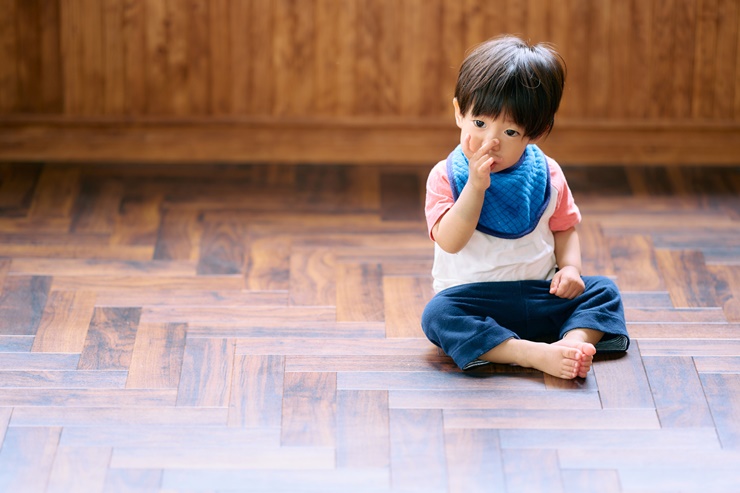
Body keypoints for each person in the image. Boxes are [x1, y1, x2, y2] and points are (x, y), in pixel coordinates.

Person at [421, 35, 629, 380]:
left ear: (536, 132)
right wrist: (474, 188)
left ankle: (572, 344)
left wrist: (571, 270)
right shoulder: (445, 176)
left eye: (511, 132)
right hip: (473, 299)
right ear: (459, 112)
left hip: (541, 293)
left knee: (603, 290)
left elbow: (564, 228)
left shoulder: (547, 174)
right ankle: (528, 353)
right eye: (479, 123)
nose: (492, 141)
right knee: (438, 315)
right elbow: (451, 241)